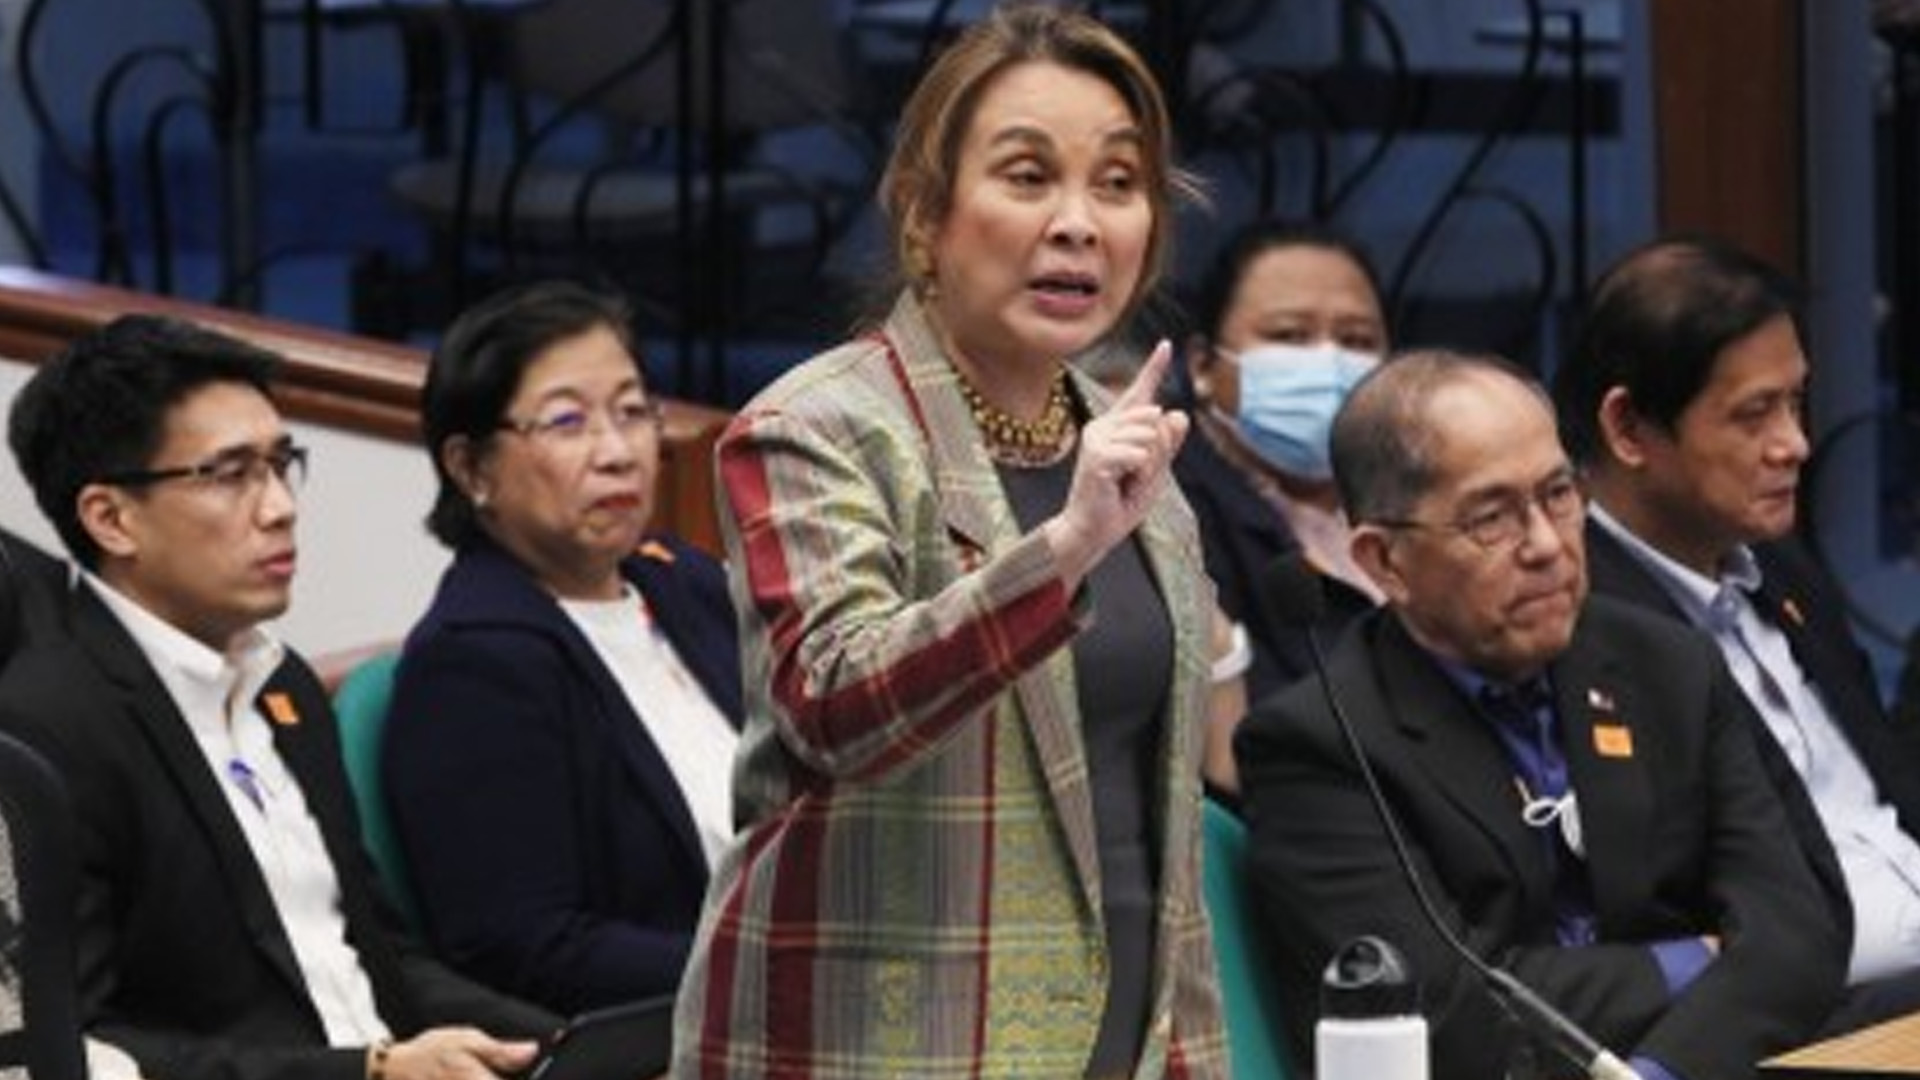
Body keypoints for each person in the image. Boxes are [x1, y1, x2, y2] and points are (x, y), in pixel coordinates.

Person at [670, 6, 1228, 1077]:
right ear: (925, 217)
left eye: (1117, 183)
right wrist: (1061, 548)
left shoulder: (1130, 454)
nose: (1079, 224)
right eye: (1027, 176)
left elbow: (1161, 832)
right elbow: (834, 705)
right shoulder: (817, 427)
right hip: (880, 1050)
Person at [1236, 349, 1845, 1080]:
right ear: (1384, 561)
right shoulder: (1319, 743)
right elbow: (1439, 1014)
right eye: (1492, 518)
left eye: (1559, 494)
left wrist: (1660, 1070)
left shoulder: (1667, 664)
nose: (1549, 546)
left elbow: (1796, 930)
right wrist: (1696, 959)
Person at [0, 314, 557, 1080]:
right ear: (111, 518)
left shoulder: (281, 684)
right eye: (230, 475)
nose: (280, 507)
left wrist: (571, 1048)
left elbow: (381, 960)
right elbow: (78, 1052)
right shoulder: (46, 730)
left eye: (280, 463)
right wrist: (368, 1071)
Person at [1554, 233, 1920, 1030]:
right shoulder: (1572, 622)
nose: (1796, 444)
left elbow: (1884, 790)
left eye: (1796, 402)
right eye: (1755, 414)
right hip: (1808, 1015)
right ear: (1628, 429)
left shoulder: (1780, 565)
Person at [382, 280, 742, 1015]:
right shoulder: (474, 664)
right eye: (568, 422)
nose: (617, 452)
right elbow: (528, 946)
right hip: (677, 1033)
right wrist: (770, 968)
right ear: (471, 468)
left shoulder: (687, 584)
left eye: (632, 412)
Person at [1172, 221, 1389, 792]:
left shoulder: (1408, 496)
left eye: (1358, 341)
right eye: (1289, 336)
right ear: (1202, 365)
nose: (1329, 363)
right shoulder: (1167, 509)